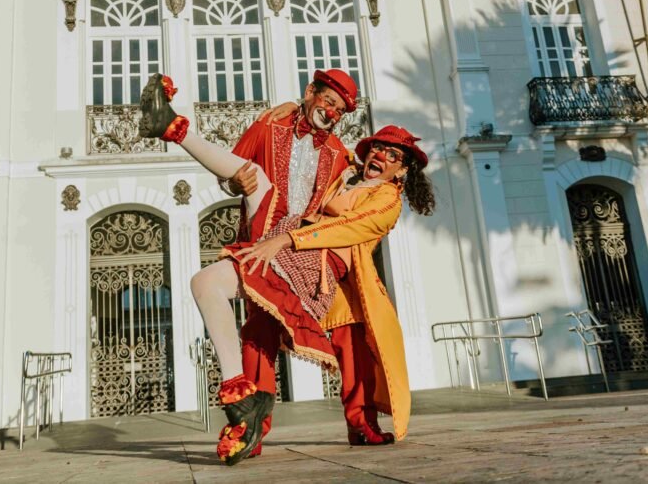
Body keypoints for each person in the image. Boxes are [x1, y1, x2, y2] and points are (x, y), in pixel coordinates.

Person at [138, 72, 433, 463]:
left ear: (403, 170)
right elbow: (236, 172)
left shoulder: (374, 188)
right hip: (273, 238)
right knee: (233, 309)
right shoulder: (329, 158)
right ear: (310, 93)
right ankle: (247, 422)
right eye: (378, 150)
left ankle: (361, 423)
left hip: (316, 258)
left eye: (393, 156)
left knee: (354, 344)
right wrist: (238, 184)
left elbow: (346, 226)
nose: (381, 157)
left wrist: (287, 239)